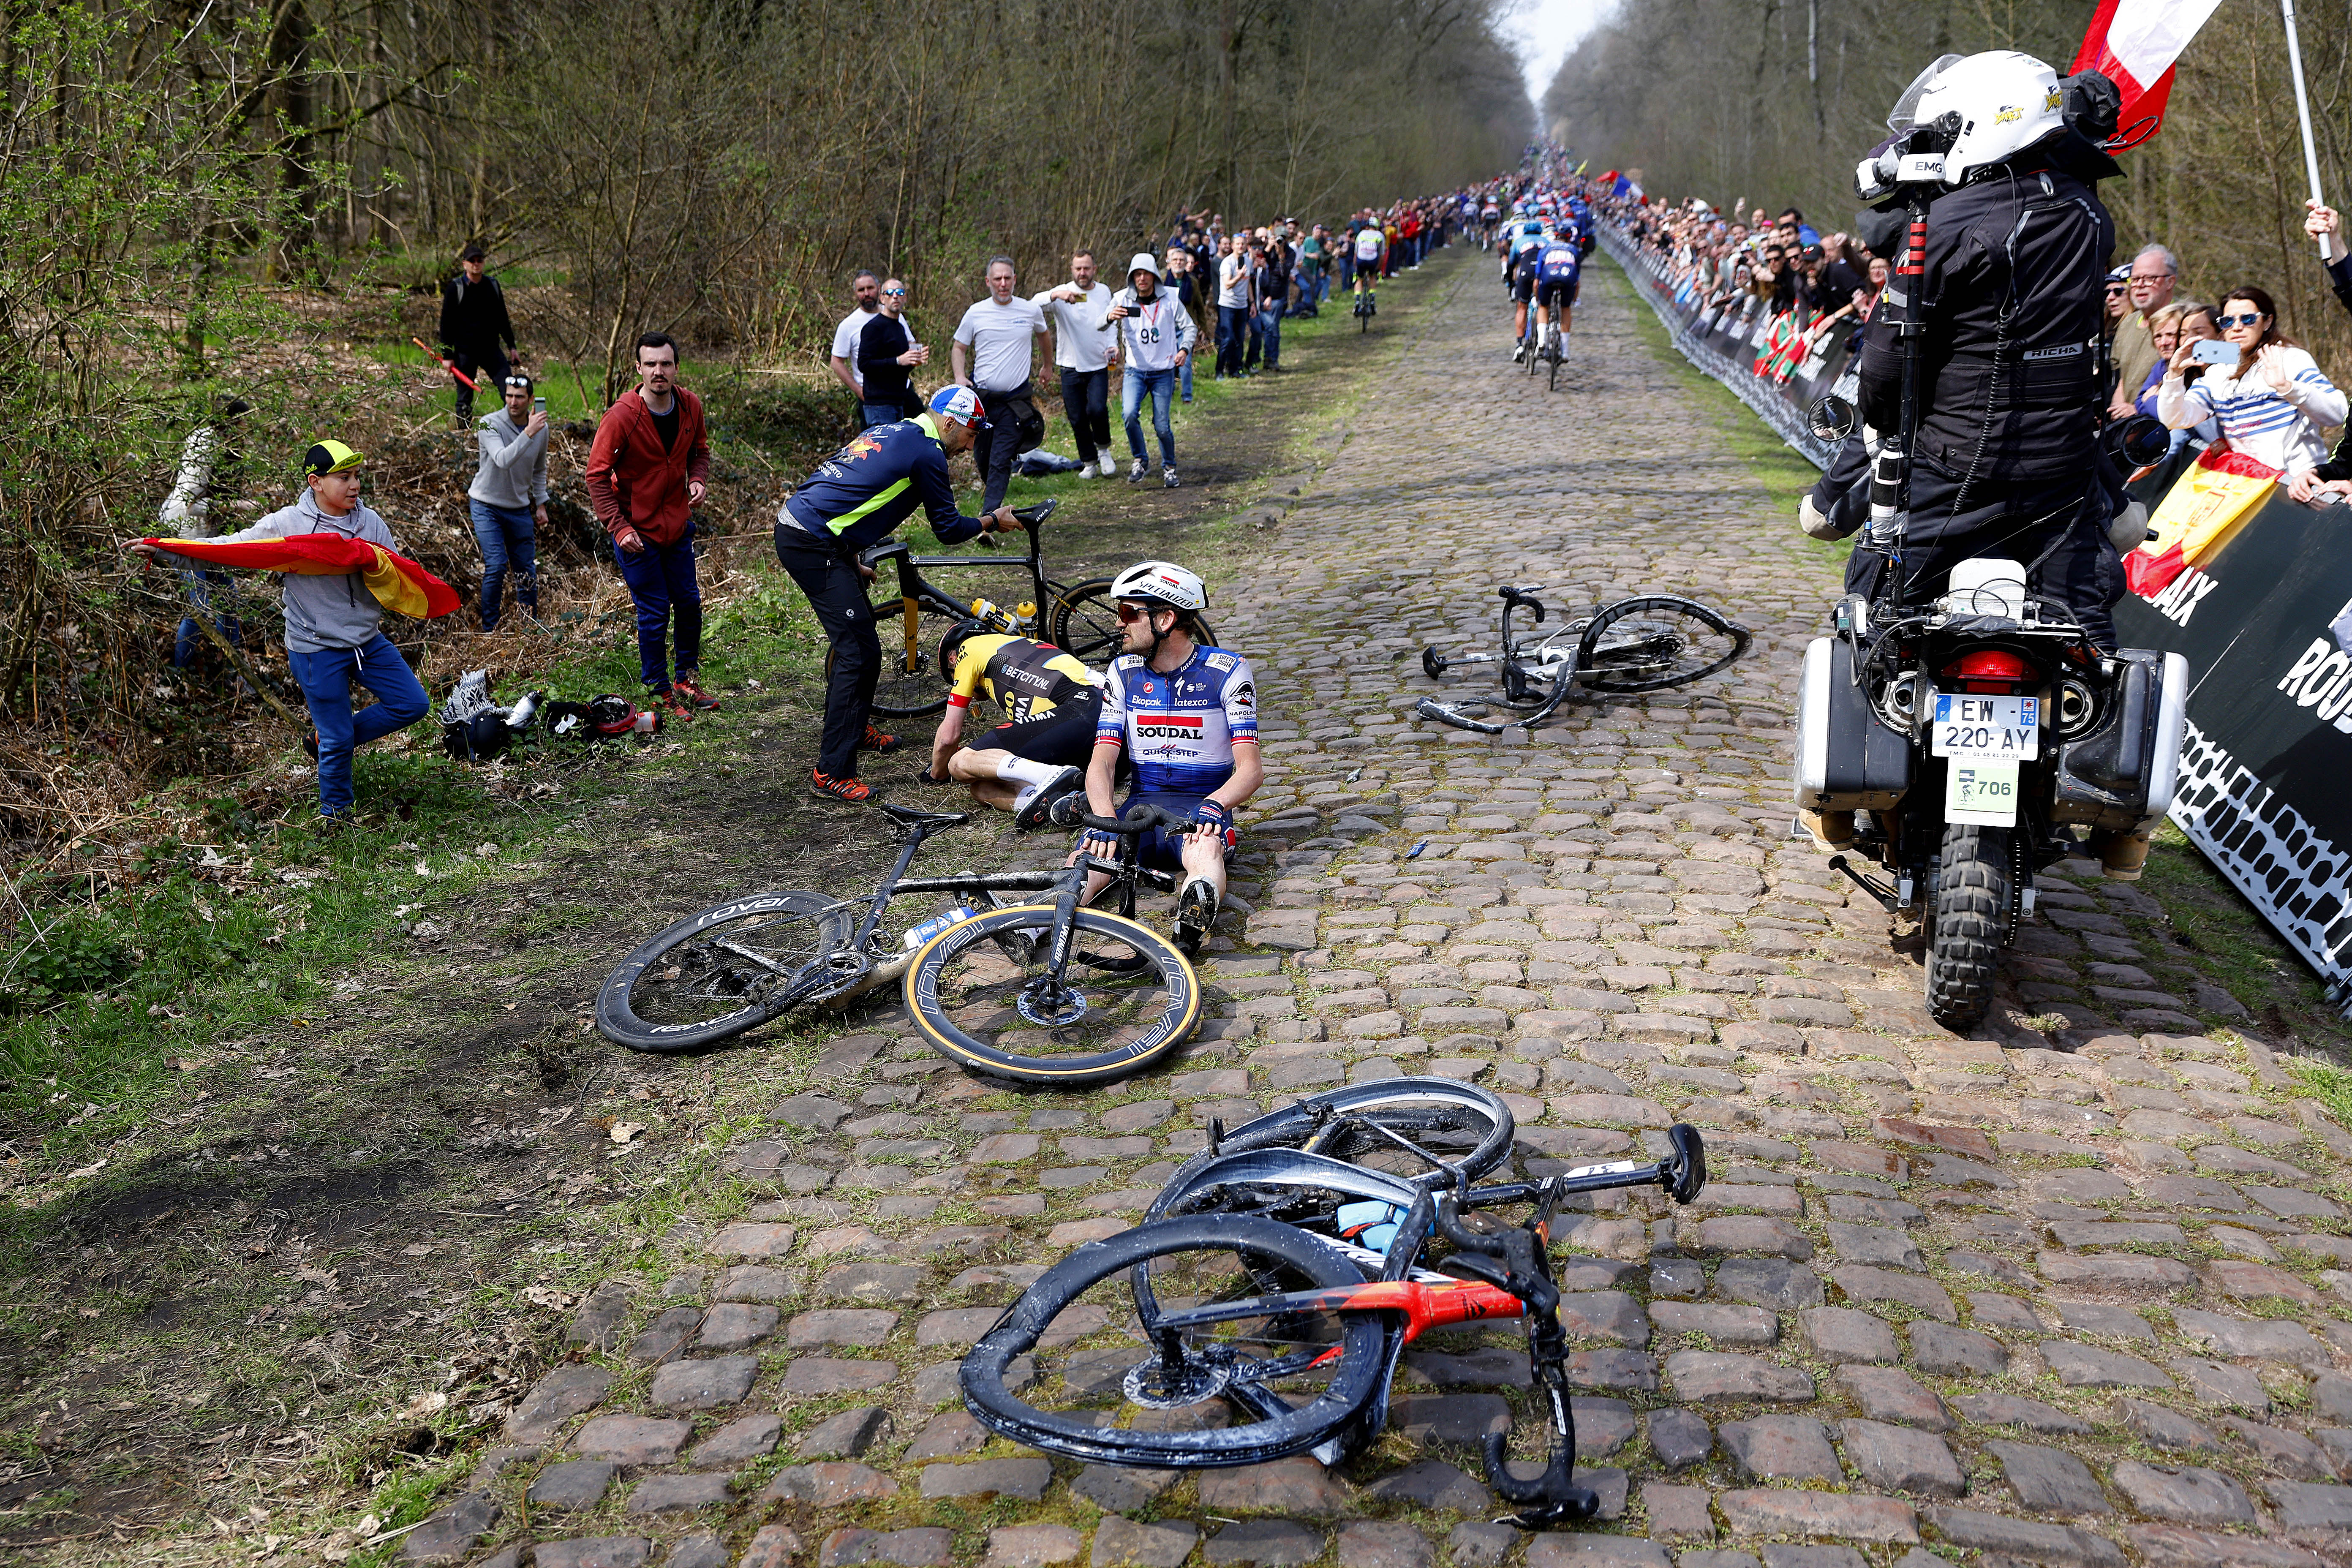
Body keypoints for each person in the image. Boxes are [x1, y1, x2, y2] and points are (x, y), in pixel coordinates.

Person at [129, 442, 429, 823]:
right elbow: (231, 549)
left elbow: (397, 571)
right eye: (344, 478)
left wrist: (370, 562)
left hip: (366, 640)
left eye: (357, 476)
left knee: (412, 705)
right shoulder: (288, 525)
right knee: (339, 740)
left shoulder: (370, 522)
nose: (355, 486)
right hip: (315, 648)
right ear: (316, 482)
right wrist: (166, 550)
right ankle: (337, 818)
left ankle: (323, 741)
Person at [776, 387, 1025, 804]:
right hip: (809, 541)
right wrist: (991, 520)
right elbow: (947, 529)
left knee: (862, 646)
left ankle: (854, 729)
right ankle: (831, 771)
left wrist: (850, 557)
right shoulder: (927, 453)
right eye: (970, 434)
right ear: (949, 423)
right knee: (858, 651)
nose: (971, 444)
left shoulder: (893, 428)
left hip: (820, 533)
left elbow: (853, 490)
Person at [1068, 561, 1259, 956]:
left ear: (1166, 618)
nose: (1119, 625)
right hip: (1138, 811)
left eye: (1127, 614)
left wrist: (1215, 806)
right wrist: (1105, 818)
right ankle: (1040, 924)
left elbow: (1251, 770)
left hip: (1198, 808)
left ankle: (1191, 923)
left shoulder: (1227, 673)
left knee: (1204, 852)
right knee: (1086, 860)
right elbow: (1102, 762)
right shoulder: (1122, 673)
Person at [587, 332, 718, 721]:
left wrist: (698, 479)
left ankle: (686, 680)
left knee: (690, 603)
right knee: (655, 610)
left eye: (666, 364)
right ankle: (659, 689)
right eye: (651, 364)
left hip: (676, 526)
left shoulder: (690, 406)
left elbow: (701, 452)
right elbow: (596, 476)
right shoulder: (622, 416)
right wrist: (619, 528)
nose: (659, 372)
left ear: (676, 367)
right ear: (638, 369)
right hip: (636, 534)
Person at [2155, 285, 2345, 480]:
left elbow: (2337, 414)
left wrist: (2287, 388)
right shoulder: (2218, 373)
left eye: (2248, 319)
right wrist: (2174, 375)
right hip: (2250, 483)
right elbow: (2175, 419)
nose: (2237, 327)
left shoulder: (2291, 359)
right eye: (2228, 321)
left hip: (2296, 482)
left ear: (2267, 322)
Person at [926, 625, 1101, 825]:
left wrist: (937, 773)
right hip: (1100, 722)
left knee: (960, 763)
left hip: (1082, 704)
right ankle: (1054, 805)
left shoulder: (969, 649)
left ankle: (1050, 775)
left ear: (953, 660)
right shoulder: (1015, 648)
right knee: (981, 788)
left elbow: (948, 737)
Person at [951, 256, 1050, 512]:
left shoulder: (1030, 310)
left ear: (1015, 279)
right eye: (998, 279)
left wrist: (1047, 365)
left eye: (1008, 278)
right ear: (988, 282)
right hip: (982, 400)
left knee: (1000, 459)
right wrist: (960, 378)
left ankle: (989, 517)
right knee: (983, 459)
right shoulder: (976, 312)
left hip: (1015, 402)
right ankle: (994, 498)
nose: (1003, 284)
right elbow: (959, 348)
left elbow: (1044, 335)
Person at [163, 396, 252, 674]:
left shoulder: (228, 446)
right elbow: (187, 504)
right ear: (230, 420)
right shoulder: (205, 445)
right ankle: (180, 671)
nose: (246, 426)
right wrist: (235, 506)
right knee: (199, 607)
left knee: (229, 601)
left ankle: (234, 670)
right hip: (188, 536)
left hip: (212, 538)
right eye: (242, 420)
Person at [1104, 251, 1195, 488]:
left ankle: (1170, 468)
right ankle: (1140, 460)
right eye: (1137, 275)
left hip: (1163, 372)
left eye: (1146, 274)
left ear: (1155, 276)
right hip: (1136, 371)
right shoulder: (1122, 299)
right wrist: (1108, 317)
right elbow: (1099, 324)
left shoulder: (1170, 299)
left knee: (1162, 425)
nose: (1142, 279)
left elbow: (1190, 328)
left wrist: (1184, 350)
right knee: (1129, 414)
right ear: (1132, 278)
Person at [469, 373, 549, 631]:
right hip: (486, 505)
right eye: (509, 396)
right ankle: (489, 629)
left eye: (520, 397)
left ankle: (530, 626)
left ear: (531, 400)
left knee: (526, 568)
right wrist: (528, 432)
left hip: (518, 508)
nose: (513, 402)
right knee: (496, 564)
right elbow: (503, 460)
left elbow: (539, 470)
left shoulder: (541, 429)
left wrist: (541, 504)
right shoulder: (488, 424)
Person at [1033, 251, 1119, 476]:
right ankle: (1089, 462)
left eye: (1087, 268)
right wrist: (1056, 295)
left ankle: (1103, 451)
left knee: (1097, 409)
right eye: (1078, 269)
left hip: (1098, 363)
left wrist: (1113, 346)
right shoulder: (1063, 295)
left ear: (1094, 270)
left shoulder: (1103, 292)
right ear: (1072, 270)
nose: (1083, 273)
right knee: (1077, 416)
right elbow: (1033, 305)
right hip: (1070, 365)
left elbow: (1111, 323)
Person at [438, 243, 517, 423]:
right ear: (464, 264)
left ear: (484, 263)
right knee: (464, 398)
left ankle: (513, 427)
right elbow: (446, 324)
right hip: (464, 352)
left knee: (509, 388)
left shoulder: (493, 286)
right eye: (471, 261)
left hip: (491, 350)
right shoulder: (455, 288)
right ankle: (462, 435)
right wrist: (447, 355)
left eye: (479, 260)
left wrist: (512, 347)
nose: (476, 264)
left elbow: (502, 319)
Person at [2108, 243, 2180, 416]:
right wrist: (2115, 413)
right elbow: (2124, 379)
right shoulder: (2128, 323)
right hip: (2128, 427)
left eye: (2149, 279)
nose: (2140, 285)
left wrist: (2137, 409)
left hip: (2164, 424)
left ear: (2170, 281)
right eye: (2134, 279)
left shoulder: (2184, 321)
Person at [856, 278, 926, 430]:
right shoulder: (873, 328)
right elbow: (864, 364)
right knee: (883, 452)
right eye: (890, 293)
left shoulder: (900, 328)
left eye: (900, 293)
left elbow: (899, 367)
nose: (895, 296)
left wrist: (913, 361)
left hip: (899, 402)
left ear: (905, 298)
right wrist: (898, 361)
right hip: (879, 406)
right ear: (882, 298)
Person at [828, 270, 883, 408]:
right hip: (872, 398)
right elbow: (836, 362)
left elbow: (910, 344)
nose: (866, 294)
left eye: (870, 288)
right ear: (856, 294)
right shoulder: (848, 325)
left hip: (902, 393)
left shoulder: (894, 315)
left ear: (879, 288)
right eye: (861, 290)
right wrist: (860, 391)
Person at [1532, 226, 1582, 357]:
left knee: (1543, 306)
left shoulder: (1546, 249)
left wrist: (1538, 299)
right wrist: (1575, 299)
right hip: (1568, 277)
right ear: (1569, 238)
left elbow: (1536, 281)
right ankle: (1565, 352)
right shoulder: (1575, 251)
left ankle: (1542, 341)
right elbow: (1577, 282)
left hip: (1549, 275)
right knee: (1566, 308)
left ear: (1555, 236)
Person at [1165, 248, 1203, 404]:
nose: (1179, 263)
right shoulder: (1161, 280)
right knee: (1167, 363)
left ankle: (1187, 396)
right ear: (1170, 263)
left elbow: (1199, 306)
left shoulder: (1193, 282)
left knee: (1185, 362)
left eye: (1182, 260)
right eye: (1176, 260)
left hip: (1185, 327)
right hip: (1166, 328)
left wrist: (1203, 328)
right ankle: (1167, 394)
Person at [1216, 237, 1254, 378]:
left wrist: (1252, 303)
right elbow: (1227, 284)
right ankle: (1219, 371)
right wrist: (1238, 276)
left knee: (1239, 339)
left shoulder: (1249, 262)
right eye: (1238, 244)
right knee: (1228, 339)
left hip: (1242, 306)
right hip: (1227, 306)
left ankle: (1236, 370)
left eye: (1243, 244)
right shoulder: (1227, 263)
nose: (1241, 246)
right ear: (1233, 246)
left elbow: (1248, 283)